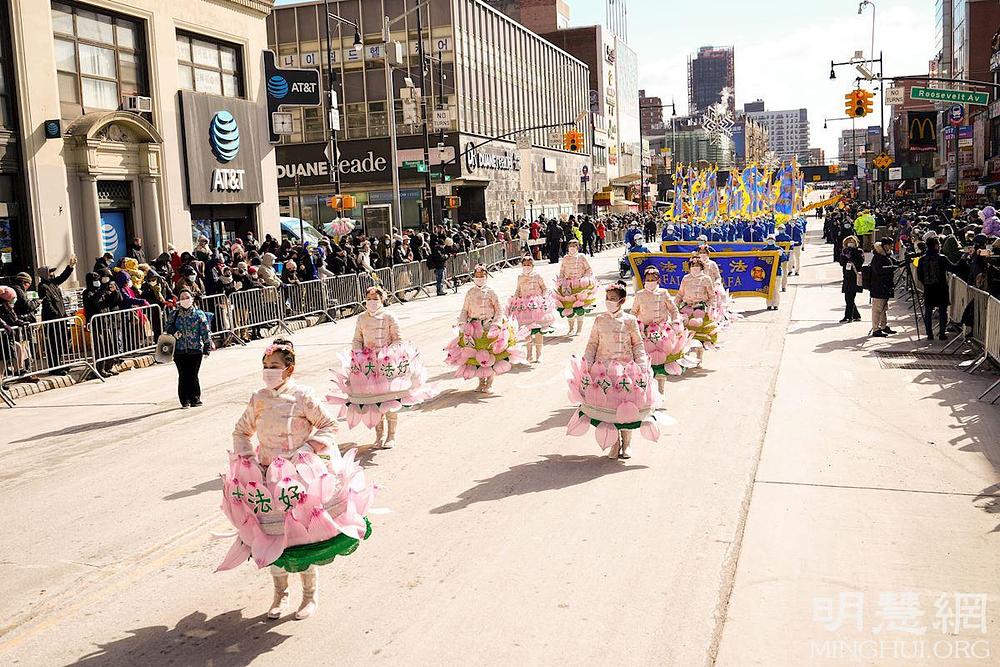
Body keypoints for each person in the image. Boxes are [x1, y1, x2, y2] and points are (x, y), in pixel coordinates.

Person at [223, 339, 374, 621]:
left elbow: (330, 425)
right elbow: (241, 432)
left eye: (275, 367)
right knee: (273, 538)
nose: (269, 372)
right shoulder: (258, 397)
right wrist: (249, 461)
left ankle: (309, 595)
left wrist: (307, 449)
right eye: (265, 367)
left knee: (303, 538)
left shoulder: (303, 395)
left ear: (289, 370)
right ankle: (280, 594)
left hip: (302, 478)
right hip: (267, 477)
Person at [328, 286, 432, 449]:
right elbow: (357, 339)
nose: (371, 302)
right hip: (368, 365)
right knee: (373, 402)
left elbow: (398, 339)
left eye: (375, 299)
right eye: (369, 299)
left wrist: (387, 353)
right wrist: (358, 353)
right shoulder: (361, 318)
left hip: (387, 364)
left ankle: (391, 436)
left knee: (389, 400)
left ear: (382, 299)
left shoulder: (389, 316)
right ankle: (379, 435)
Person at [566, 282, 660, 459]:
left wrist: (641, 366)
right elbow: (593, 343)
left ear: (622, 301)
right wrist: (587, 363)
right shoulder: (600, 320)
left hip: (627, 371)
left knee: (627, 410)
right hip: (604, 371)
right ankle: (615, 445)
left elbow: (638, 344)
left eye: (613, 299)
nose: (609, 302)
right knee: (610, 412)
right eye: (607, 298)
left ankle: (627, 445)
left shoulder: (630, 321)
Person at [445, 264, 524, 393]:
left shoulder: (492, 291)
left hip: (489, 326)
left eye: (482, 276)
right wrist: (462, 323)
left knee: (491, 355)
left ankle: (490, 383)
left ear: (486, 277)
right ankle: (481, 381)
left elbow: (499, 310)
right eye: (477, 276)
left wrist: (496, 324)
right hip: (474, 327)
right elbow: (464, 309)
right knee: (477, 355)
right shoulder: (470, 292)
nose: (479, 278)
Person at [633, 266, 690, 394]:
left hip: (662, 332)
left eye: (653, 279)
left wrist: (675, 321)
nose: (650, 282)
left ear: (658, 280)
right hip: (645, 332)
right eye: (648, 279)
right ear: (644, 280)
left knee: (661, 364)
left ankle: (661, 390)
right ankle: (648, 392)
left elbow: (673, 309)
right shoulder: (639, 294)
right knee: (645, 363)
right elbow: (633, 311)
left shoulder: (663, 293)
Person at [165, 288, 211, 408]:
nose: (185, 300)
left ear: (192, 299)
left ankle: (195, 398)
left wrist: (207, 346)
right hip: (179, 350)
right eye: (182, 298)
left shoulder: (199, 314)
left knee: (193, 374)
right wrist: (174, 331)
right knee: (183, 375)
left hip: (195, 349)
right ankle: (184, 399)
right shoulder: (174, 314)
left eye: (187, 297)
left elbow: (205, 331)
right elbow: (168, 326)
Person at [506, 255, 556, 363]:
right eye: (524, 265)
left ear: (532, 265)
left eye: (529, 265)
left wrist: (544, 298)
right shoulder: (520, 277)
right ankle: (529, 354)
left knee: (538, 330)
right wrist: (514, 300)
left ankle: (539, 354)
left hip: (537, 305)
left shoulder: (538, 276)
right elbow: (518, 290)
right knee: (526, 331)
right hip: (524, 306)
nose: (527, 267)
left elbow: (544, 288)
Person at [36, 256, 78, 373]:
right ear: (45, 274)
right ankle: (53, 367)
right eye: (50, 272)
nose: (53, 274)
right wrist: (57, 316)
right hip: (53, 321)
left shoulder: (53, 283)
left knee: (61, 343)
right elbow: (48, 304)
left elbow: (63, 277)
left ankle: (59, 364)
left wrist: (70, 267)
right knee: (53, 345)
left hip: (60, 319)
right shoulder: (43, 287)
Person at [675, 257, 719, 367]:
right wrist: (674, 306)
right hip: (686, 308)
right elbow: (680, 294)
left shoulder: (706, 278)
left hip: (701, 308)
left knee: (701, 336)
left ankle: (699, 358)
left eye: (697, 266)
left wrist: (712, 308)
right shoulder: (685, 278)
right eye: (693, 266)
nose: (695, 268)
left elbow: (712, 296)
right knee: (685, 335)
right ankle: (686, 358)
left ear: (701, 267)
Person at [916, 235, 957, 341]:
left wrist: (925, 283)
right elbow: (953, 268)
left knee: (928, 311)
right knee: (943, 311)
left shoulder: (922, 259)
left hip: (929, 288)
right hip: (941, 288)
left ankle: (929, 334)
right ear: (935, 245)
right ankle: (942, 334)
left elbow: (919, 275)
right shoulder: (942, 258)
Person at [554, 238, 596, 336]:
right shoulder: (565, 258)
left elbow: (588, 269)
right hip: (567, 285)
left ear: (578, 247)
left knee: (580, 307)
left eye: (574, 246)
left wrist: (585, 278)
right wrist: (560, 280)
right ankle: (571, 328)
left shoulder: (582, 257)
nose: (572, 248)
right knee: (568, 307)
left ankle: (579, 329)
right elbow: (562, 271)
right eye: (570, 246)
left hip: (580, 285)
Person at [867, 236, 896, 338]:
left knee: (884, 308)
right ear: (885, 246)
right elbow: (879, 270)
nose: (891, 248)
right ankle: (876, 329)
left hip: (885, 286)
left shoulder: (886, 256)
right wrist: (892, 268)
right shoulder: (878, 257)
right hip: (878, 286)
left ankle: (883, 326)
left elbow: (895, 263)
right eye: (890, 245)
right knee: (877, 309)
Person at [839, 235, 864, 323]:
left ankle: (848, 316)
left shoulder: (859, 251)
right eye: (848, 242)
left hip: (855, 277)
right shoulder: (845, 251)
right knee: (848, 298)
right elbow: (842, 263)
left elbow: (860, 262)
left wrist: (852, 255)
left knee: (850, 297)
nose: (850, 243)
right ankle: (856, 315)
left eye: (852, 242)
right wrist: (845, 255)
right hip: (847, 276)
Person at [761, 235, 788, 311]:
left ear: (774, 240)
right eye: (769, 239)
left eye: (772, 239)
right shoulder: (764, 250)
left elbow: (784, 259)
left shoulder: (778, 249)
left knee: (776, 289)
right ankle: (769, 304)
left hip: (777, 272)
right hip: (767, 272)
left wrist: (781, 254)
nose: (770, 240)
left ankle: (776, 304)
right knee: (768, 289)